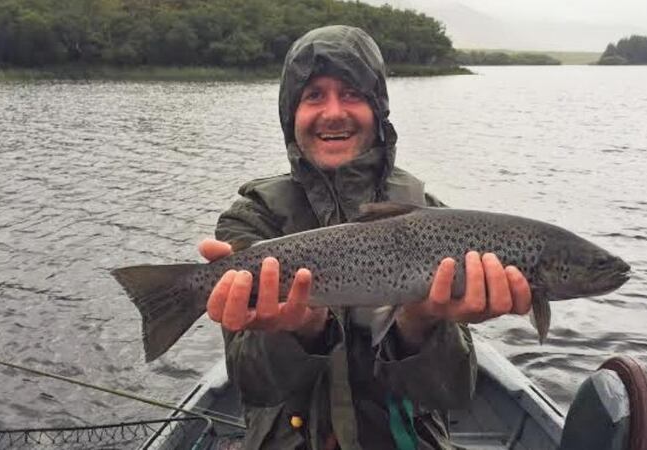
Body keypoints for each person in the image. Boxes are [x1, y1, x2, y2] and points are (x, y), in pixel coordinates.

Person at [198, 25, 532, 450]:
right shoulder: (252, 220)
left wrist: (422, 321)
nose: (333, 112)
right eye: (314, 95)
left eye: (352, 93)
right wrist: (298, 330)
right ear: (290, 113)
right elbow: (254, 386)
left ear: (378, 109)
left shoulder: (432, 217)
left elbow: (451, 393)